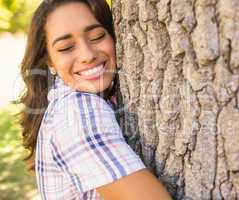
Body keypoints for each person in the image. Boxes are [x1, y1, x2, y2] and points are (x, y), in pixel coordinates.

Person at [18, 0, 173, 199]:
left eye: (97, 36)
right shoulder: (78, 111)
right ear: (50, 62)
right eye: (66, 47)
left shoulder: (68, 100)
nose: (87, 55)